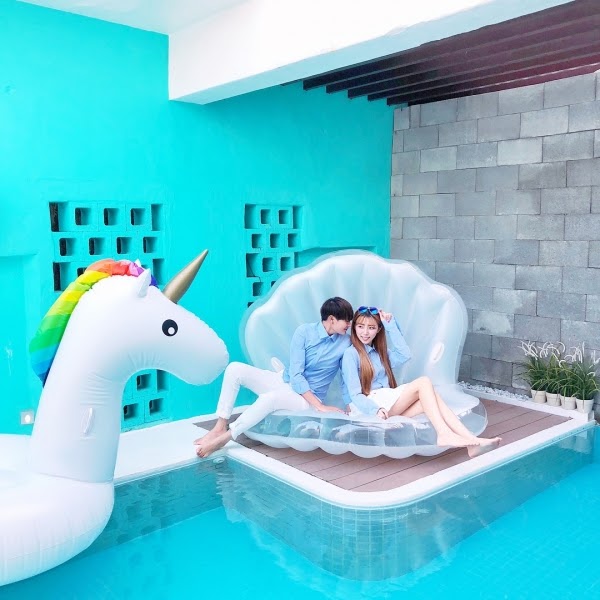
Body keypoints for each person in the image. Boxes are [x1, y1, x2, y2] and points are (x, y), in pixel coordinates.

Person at [195, 297, 354, 457]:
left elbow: (346, 375)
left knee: (270, 398)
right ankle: (220, 426)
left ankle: (225, 438)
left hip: (307, 398)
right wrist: (321, 407)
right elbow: (296, 375)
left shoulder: (345, 342)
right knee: (234, 369)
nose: (349, 325)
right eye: (346, 321)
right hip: (285, 380)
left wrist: (347, 405)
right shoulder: (304, 332)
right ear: (332, 319)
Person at [342, 306, 501, 458]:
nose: (365, 332)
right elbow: (355, 394)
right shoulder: (351, 354)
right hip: (372, 407)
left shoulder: (380, 353)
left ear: (378, 330)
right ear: (354, 327)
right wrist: (375, 409)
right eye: (360, 326)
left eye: (371, 327)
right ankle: (444, 434)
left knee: (430, 399)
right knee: (424, 382)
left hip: (385, 403)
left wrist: (390, 325)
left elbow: (404, 354)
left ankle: (472, 442)